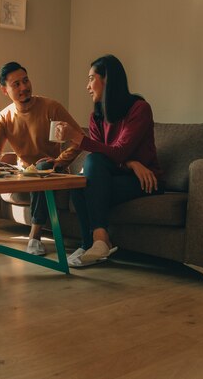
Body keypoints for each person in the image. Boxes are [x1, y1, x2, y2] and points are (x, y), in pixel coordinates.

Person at [0, 61, 84, 256]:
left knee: (41, 166)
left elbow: (80, 139)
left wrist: (61, 160)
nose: (24, 87)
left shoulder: (51, 107)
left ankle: (34, 237)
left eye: (25, 81)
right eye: (16, 84)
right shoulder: (4, 116)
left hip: (50, 170)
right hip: (22, 172)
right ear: (4, 90)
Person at [54, 55, 164, 267]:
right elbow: (105, 156)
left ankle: (98, 241)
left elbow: (119, 151)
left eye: (91, 78)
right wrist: (131, 162)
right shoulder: (96, 116)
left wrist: (77, 138)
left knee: (91, 169)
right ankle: (91, 245)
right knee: (79, 185)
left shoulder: (139, 109)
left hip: (145, 181)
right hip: (117, 175)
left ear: (108, 80)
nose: (87, 86)